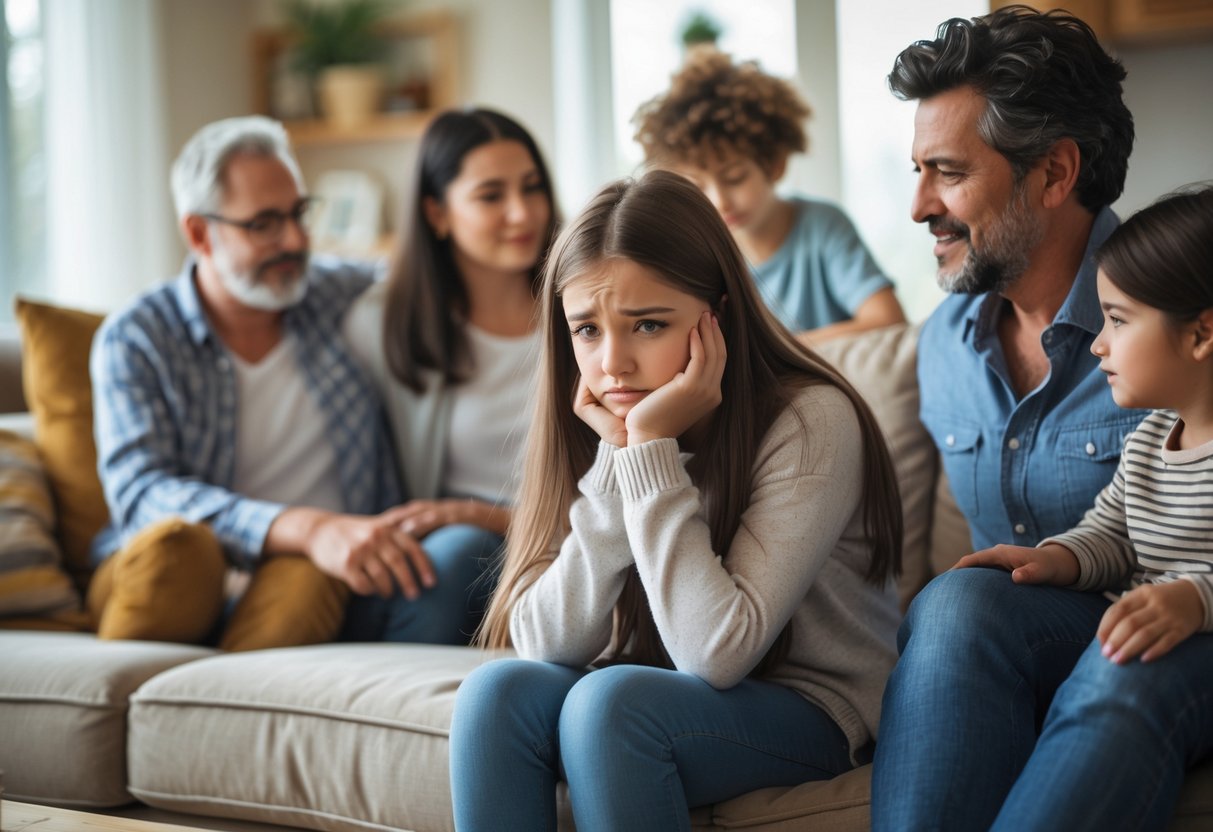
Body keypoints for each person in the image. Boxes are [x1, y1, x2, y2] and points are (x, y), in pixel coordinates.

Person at [447, 169, 904, 832]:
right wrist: (618, 466)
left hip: (812, 708)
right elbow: (544, 641)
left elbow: (717, 650)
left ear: (716, 316)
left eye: (647, 325)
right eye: (586, 331)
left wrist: (650, 452)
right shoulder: (603, 423)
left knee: (612, 706)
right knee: (496, 693)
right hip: (658, 691)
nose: (612, 365)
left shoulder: (810, 419)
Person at [870, 7, 1152, 829]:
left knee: (960, 604)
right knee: (950, 607)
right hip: (1009, 655)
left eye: (948, 172)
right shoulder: (943, 348)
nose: (921, 204)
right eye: (918, 170)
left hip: (1168, 639)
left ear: (1054, 172)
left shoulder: (1183, 324)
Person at [89, 115, 447, 652]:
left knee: (308, 578)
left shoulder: (336, 296)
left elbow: (440, 281)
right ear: (199, 233)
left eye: (299, 213)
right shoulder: (137, 336)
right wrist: (305, 528)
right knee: (177, 554)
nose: (296, 240)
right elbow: (142, 494)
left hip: (325, 575)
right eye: (263, 224)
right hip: (192, 571)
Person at [940, 185, 1213, 829]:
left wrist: (1197, 599)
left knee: (1121, 664)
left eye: (1117, 320)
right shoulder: (1150, 437)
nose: (1097, 344)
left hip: (1194, 643)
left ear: (1201, 334)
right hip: (1148, 626)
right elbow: (1113, 532)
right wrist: (1058, 558)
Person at [341, 108, 559, 642]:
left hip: (571, 532)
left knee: (459, 548)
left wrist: (476, 514)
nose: (522, 213)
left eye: (532, 188)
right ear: (437, 213)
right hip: (457, 556)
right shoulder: (381, 324)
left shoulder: (582, 307)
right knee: (448, 559)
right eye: (491, 196)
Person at [632, 48, 905, 344]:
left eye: (735, 178)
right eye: (698, 186)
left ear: (774, 164)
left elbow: (888, 320)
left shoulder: (823, 227)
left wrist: (779, 351)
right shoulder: (699, 256)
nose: (719, 201)